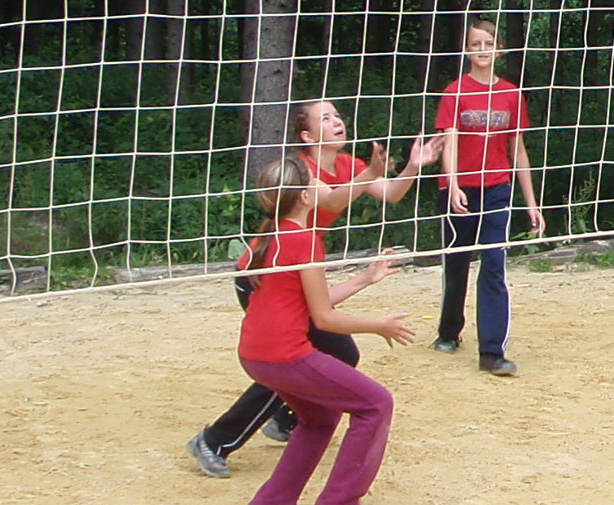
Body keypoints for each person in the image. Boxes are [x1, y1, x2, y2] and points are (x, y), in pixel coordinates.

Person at [187, 99, 439, 476]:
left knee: (336, 353)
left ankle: (288, 418)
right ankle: (216, 440)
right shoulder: (301, 170)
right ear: (307, 135)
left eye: (337, 115)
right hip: (262, 273)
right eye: (326, 118)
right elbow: (333, 198)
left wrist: (412, 166)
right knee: (287, 358)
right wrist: (369, 173)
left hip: (298, 265)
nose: (337, 121)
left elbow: (391, 193)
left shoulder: (347, 164)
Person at [234, 152, 415, 505]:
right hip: (285, 355)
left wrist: (364, 279)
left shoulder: (267, 236)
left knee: (320, 417)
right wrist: (378, 326)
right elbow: (324, 319)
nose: (323, 183)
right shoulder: (303, 240)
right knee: (376, 404)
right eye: (314, 181)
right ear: (304, 197)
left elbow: (307, 300)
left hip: (254, 354)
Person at [433, 16, 544, 373]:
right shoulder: (454, 92)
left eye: (488, 44)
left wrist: (532, 204)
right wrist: (452, 185)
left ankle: (492, 352)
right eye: (475, 44)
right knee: (457, 265)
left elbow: (518, 151)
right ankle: (449, 330)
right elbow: (449, 143)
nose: (482, 50)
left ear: (499, 50)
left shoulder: (511, 94)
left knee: (494, 264)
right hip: (460, 189)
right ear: (466, 50)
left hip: (497, 188)